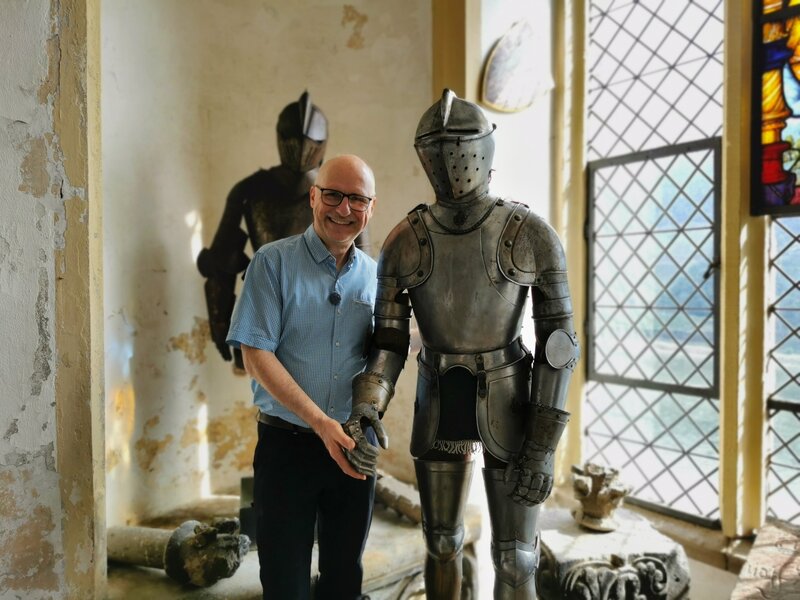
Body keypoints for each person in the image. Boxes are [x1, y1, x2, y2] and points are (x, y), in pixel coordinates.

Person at [343, 90, 579, 599]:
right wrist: (368, 404)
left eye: (461, 147)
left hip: (510, 398)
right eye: (440, 149)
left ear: (484, 149)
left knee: (515, 557)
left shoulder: (528, 233)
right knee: (441, 541)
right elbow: (389, 342)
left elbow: (558, 344)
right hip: (438, 394)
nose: (453, 164)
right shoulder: (404, 240)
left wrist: (542, 446)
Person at [227, 154, 379, 600]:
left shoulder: (377, 276)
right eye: (333, 195)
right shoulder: (272, 262)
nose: (344, 209)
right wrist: (320, 422)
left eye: (357, 199)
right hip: (287, 449)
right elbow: (256, 355)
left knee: (343, 581)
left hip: (354, 445)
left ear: (370, 208)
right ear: (313, 197)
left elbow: (386, 347)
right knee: (285, 584)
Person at [198, 91, 369, 371]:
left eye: (310, 143)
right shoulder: (249, 191)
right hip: (263, 303)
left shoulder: (335, 192)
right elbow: (221, 264)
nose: (302, 149)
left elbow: (360, 266)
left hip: (325, 309)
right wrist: (220, 326)